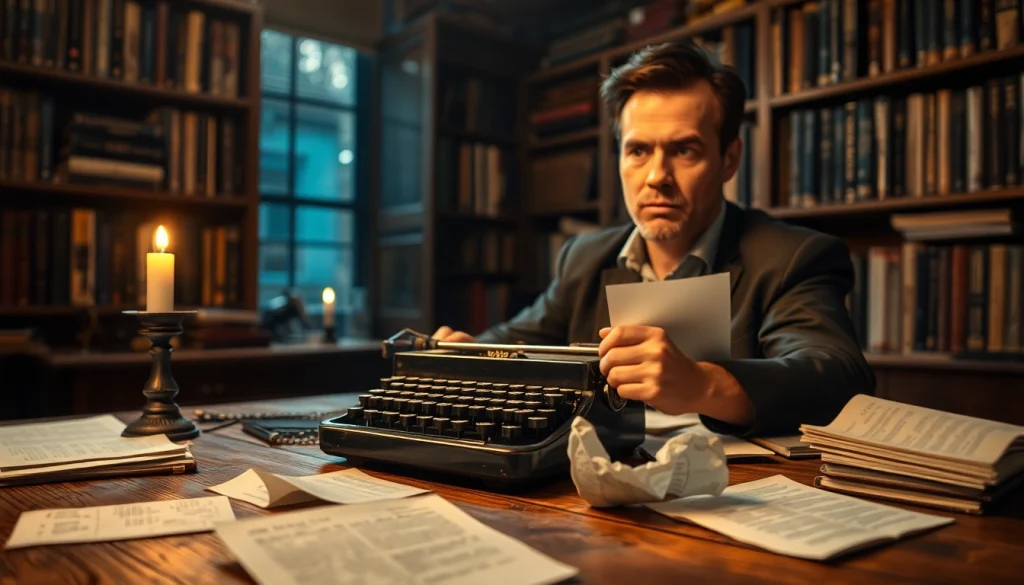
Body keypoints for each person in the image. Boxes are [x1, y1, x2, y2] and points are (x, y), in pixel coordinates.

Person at [432, 41, 875, 437]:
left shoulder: (792, 257)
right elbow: (520, 340)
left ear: (729, 159)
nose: (656, 177)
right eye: (638, 150)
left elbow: (836, 377)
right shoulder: (585, 256)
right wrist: (473, 354)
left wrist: (703, 384)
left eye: (684, 150)